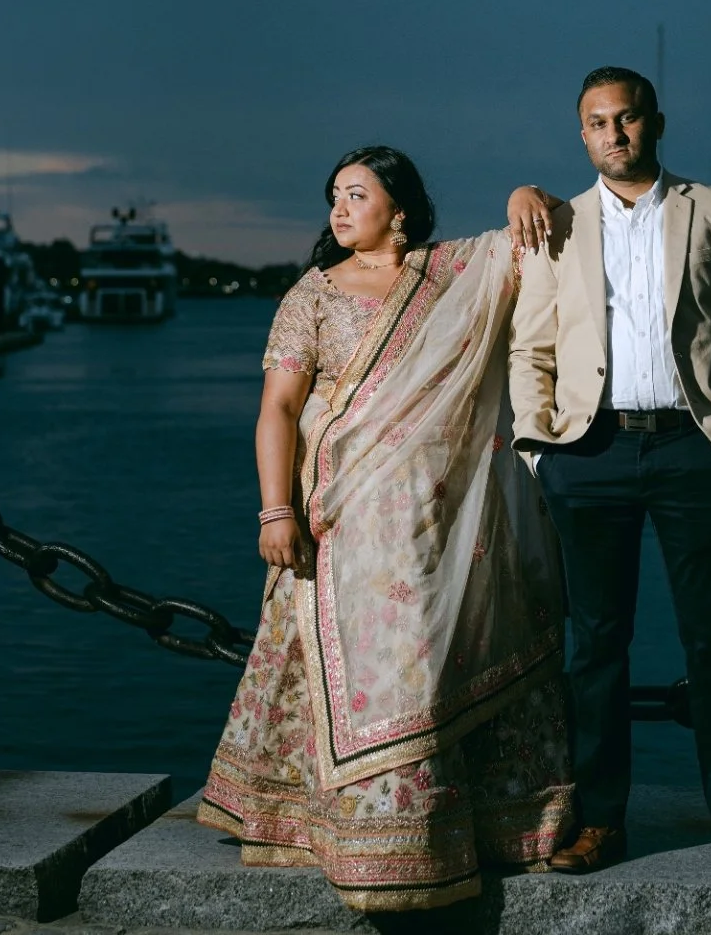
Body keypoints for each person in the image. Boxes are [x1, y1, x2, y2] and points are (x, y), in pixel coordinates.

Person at [197, 146, 573, 911]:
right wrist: (275, 509)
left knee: (434, 656)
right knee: (362, 663)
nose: (338, 209)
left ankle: (463, 823)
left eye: (356, 195)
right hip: (340, 515)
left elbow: (539, 232)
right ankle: (344, 831)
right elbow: (277, 408)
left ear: (398, 209)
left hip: (434, 519)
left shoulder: (448, 277)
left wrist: (522, 189)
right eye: (333, 195)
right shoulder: (313, 293)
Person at [507, 66, 711, 882]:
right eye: (597, 123)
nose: (614, 134)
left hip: (693, 449)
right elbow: (532, 347)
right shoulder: (558, 222)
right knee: (595, 646)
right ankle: (601, 823)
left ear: (655, 123)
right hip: (586, 455)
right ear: (582, 135)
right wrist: (539, 448)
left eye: (627, 119)